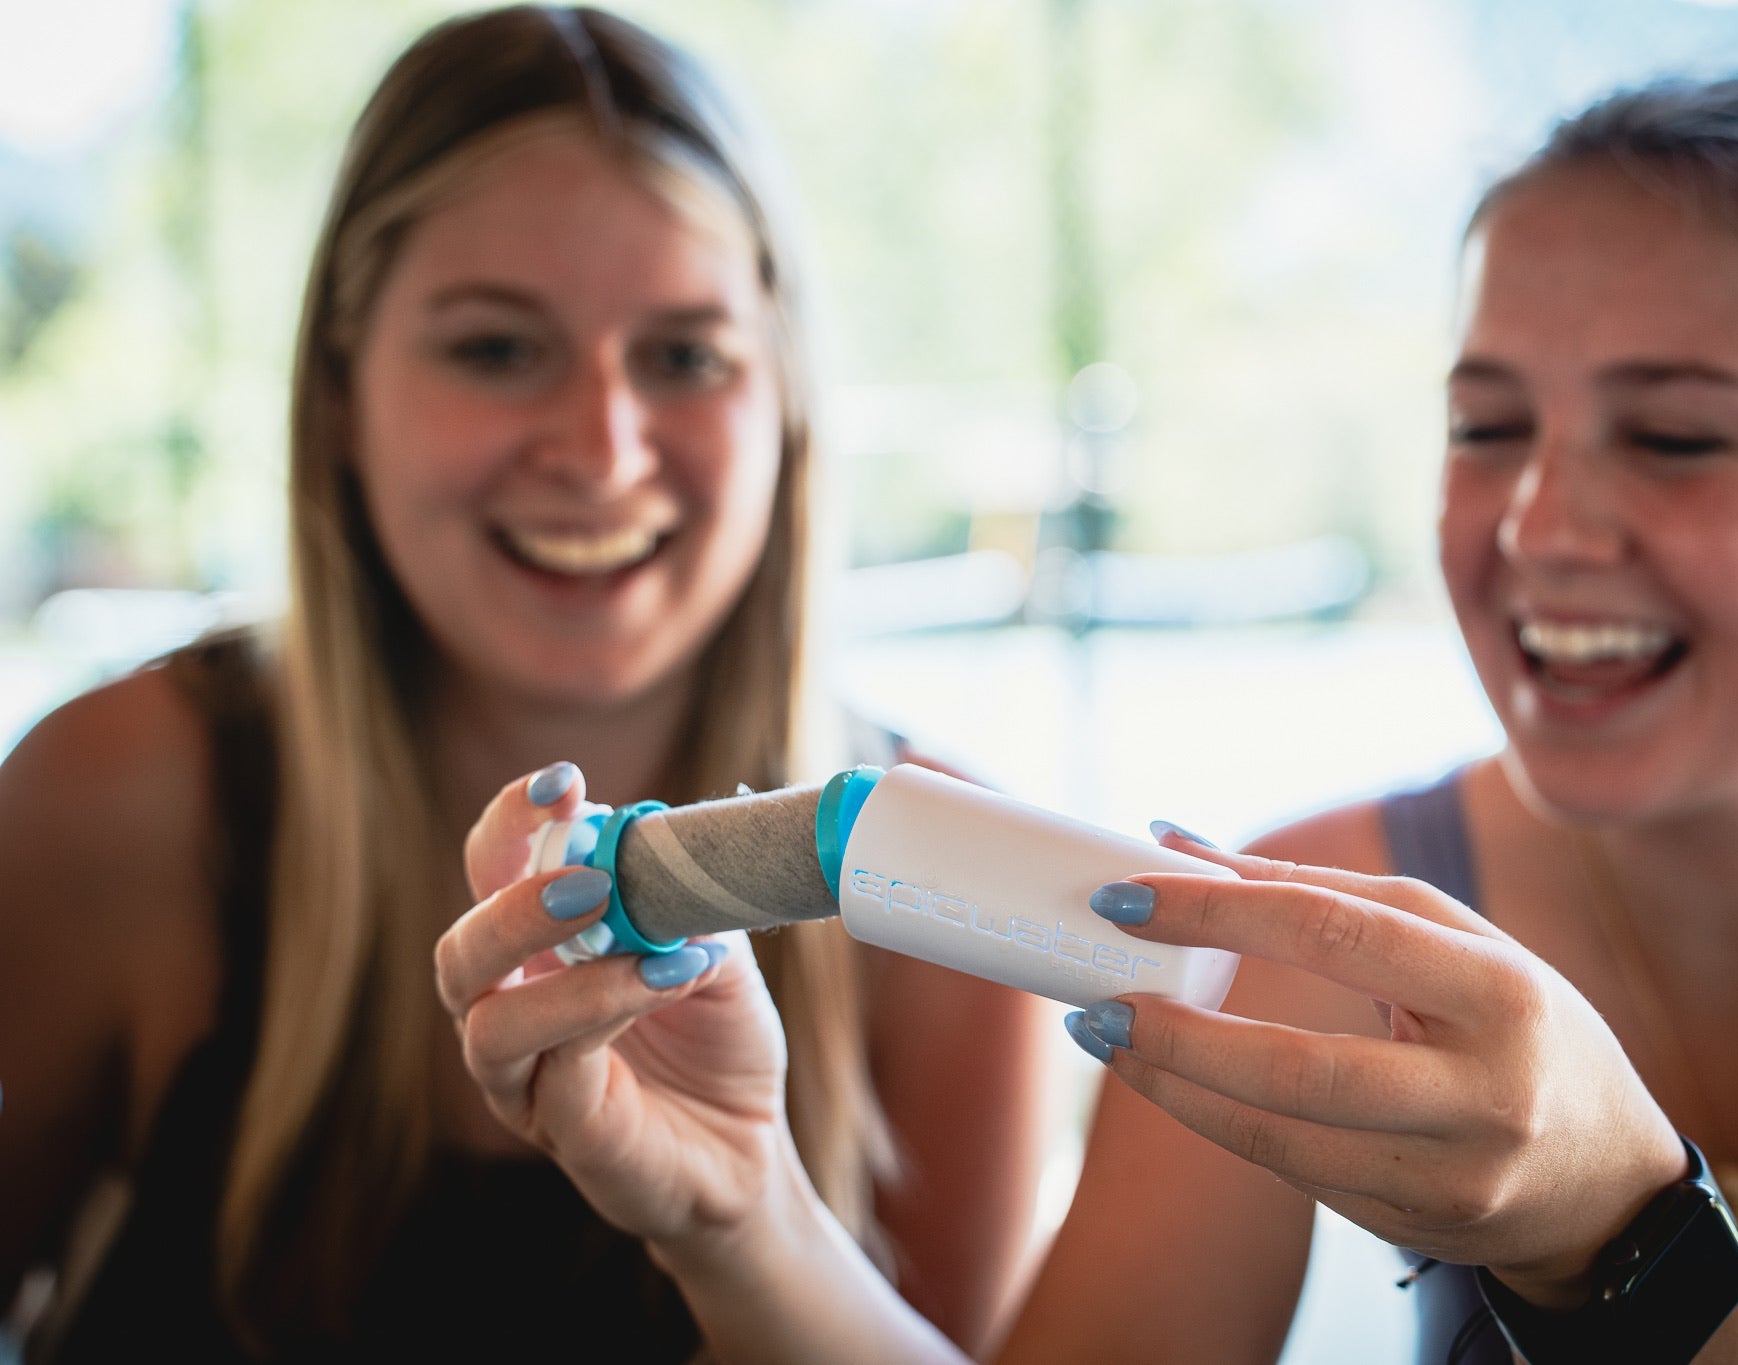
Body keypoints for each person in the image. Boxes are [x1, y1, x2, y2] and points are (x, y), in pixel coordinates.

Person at [441, 73, 1738, 1365]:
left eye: (1678, 437)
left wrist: (1628, 1234)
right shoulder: (1308, 916)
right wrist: (741, 1215)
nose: (1541, 523)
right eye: (1488, 426)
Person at [0, 7, 1050, 1360]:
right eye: (498, 349)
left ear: (786, 402)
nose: (602, 452)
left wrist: (754, 1238)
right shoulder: (114, 802)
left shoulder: (942, 890)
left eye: (684, 357)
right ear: (340, 395)